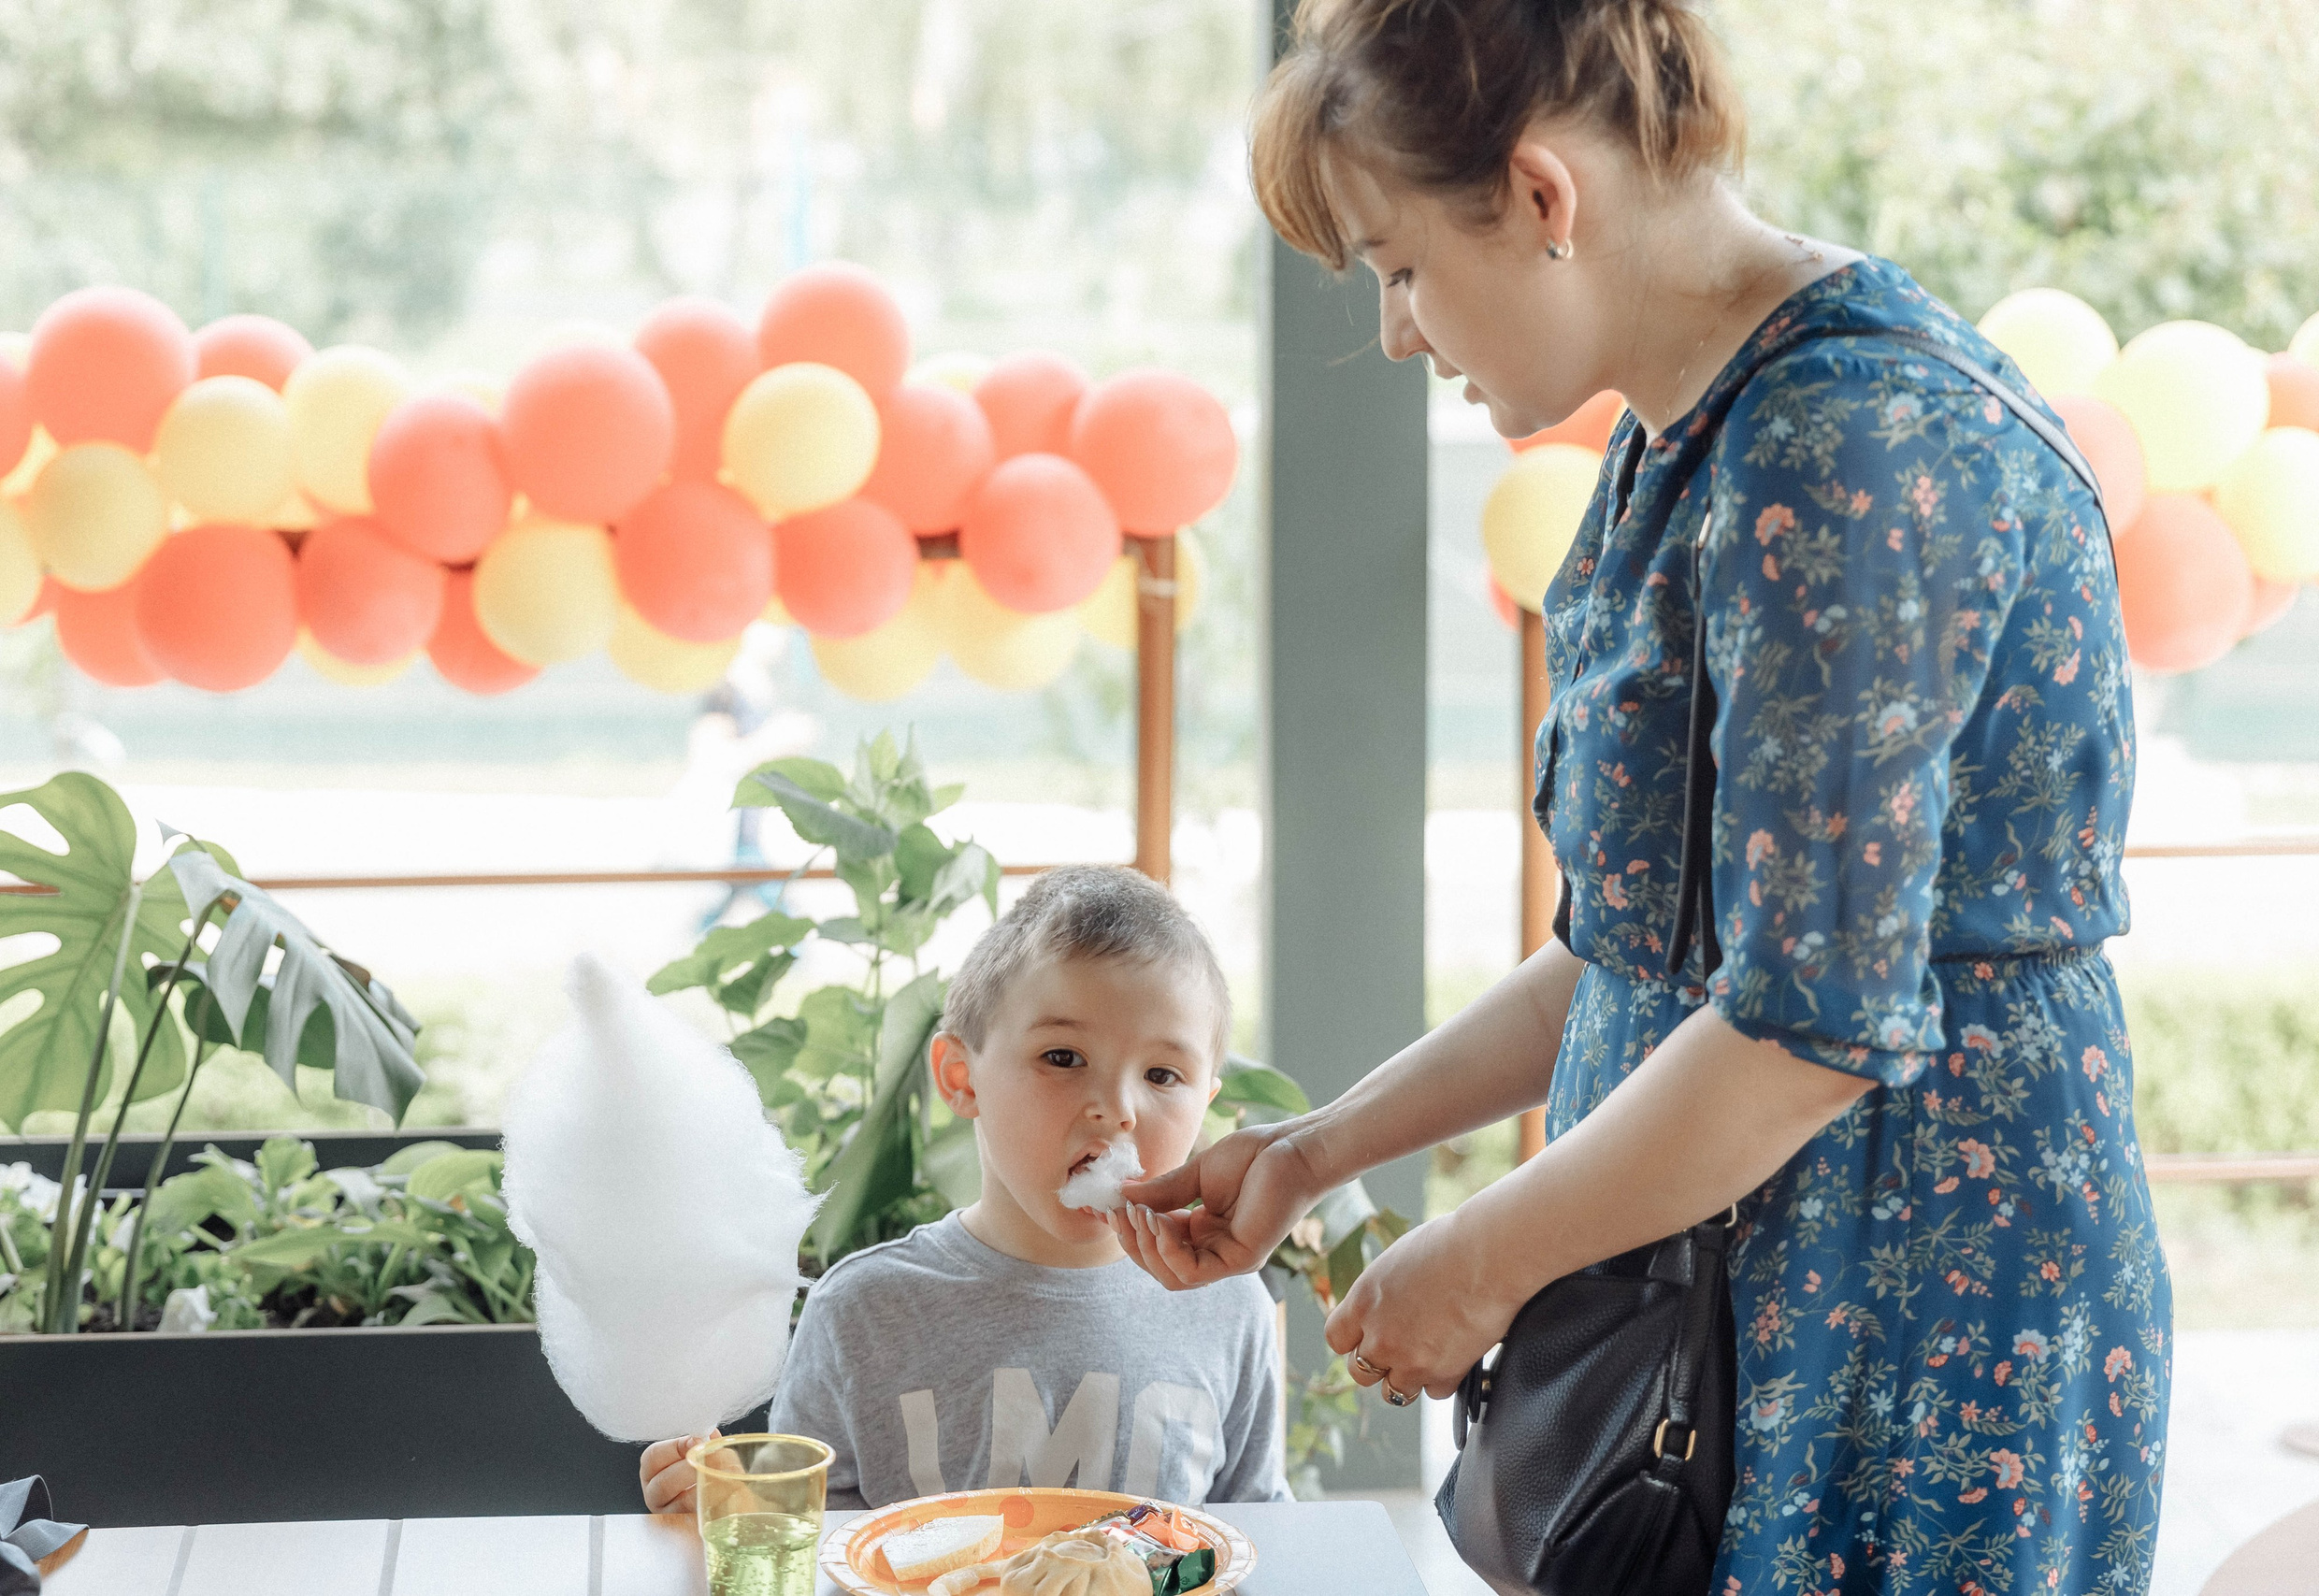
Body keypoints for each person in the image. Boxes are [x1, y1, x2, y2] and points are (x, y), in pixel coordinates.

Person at [1112, 3, 2170, 1592]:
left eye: (1398, 267)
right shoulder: (1695, 430)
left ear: (1543, 199)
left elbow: (1809, 1028)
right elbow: (1645, 947)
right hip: (1746, 1287)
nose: (1398, 330)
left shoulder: (1852, 446)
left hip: (1908, 1306)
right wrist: (1318, 1150)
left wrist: (1480, 1261)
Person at [640, 865, 1290, 1512]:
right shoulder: (865, 1311)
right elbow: (807, 1545)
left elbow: (1263, 1542)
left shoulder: (1230, 1311)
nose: (1118, 1107)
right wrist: (730, 1510)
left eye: (1161, 1073)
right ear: (961, 1077)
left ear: (1206, 1101)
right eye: (1063, 1057)